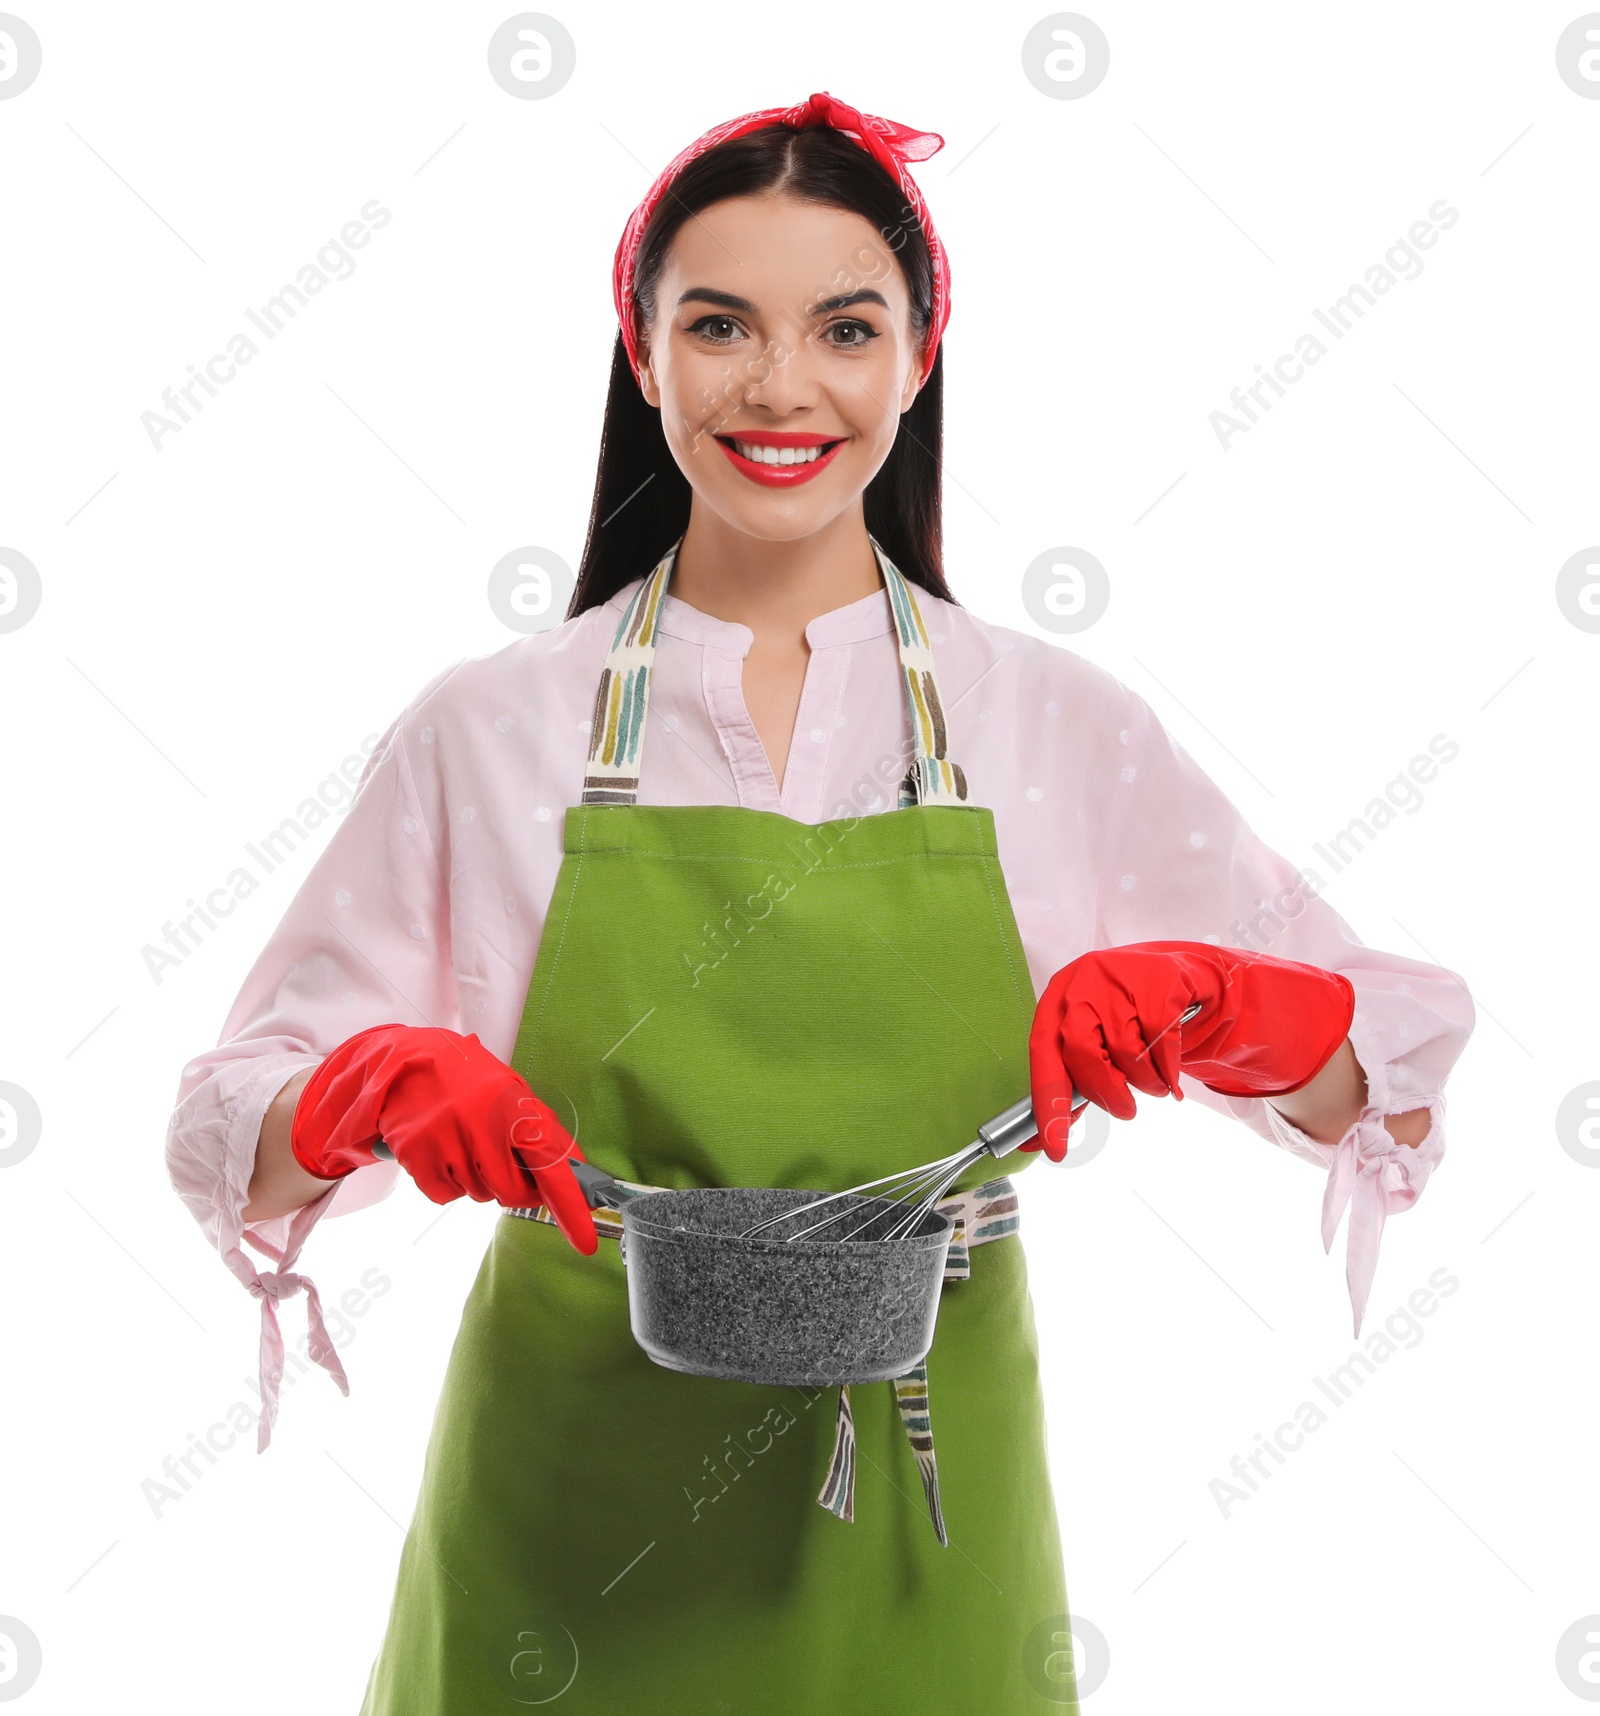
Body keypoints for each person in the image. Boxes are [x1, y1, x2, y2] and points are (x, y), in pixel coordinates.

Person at [164, 91, 1474, 1715]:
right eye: (720, 325)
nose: (782, 387)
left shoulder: (1046, 723)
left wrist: (1259, 1019)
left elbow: (1384, 1100)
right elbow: (230, 1129)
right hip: (565, 1539)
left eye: (843, 328)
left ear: (919, 360)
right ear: (641, 355)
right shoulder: (494, 727)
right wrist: (350, 1098)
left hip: (927, 1537)